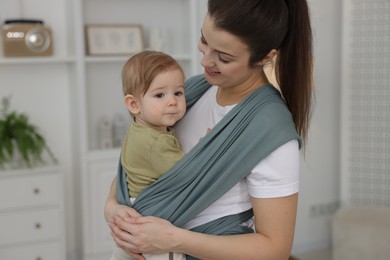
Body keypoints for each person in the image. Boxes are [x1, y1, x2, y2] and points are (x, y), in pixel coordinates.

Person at [105, 0, 313, 259]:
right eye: (204, 40)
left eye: (223, 57)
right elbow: (141, 163)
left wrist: (174, 239)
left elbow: (275, 249)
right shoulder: (191, 91)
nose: (205, 61)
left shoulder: (269, 131)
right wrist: (112, 205)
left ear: (266, 57)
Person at [111, 50, 187, 260]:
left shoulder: (139, 129)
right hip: (152, 220)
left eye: (178, 93)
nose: (172, 101)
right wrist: (208, 145)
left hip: (134, 211)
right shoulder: (156, 142)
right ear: (134, 104)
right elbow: (189, 173)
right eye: (160, 95)